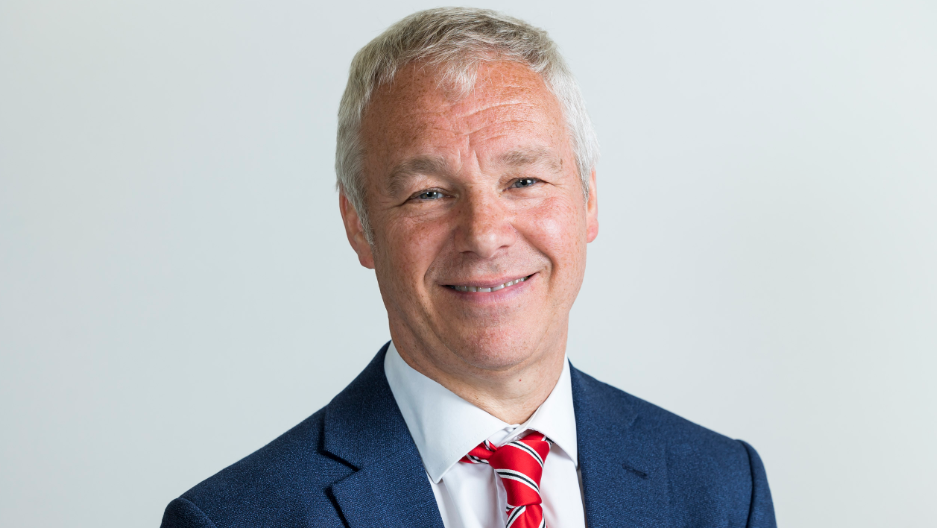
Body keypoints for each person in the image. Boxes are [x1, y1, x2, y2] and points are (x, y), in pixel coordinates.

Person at [161, 7, 776, 528]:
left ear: (589, 200)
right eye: (429, 193)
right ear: (359, 226)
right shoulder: (234, 518)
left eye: (525, 180)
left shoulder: (721, 489)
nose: (485, 235)